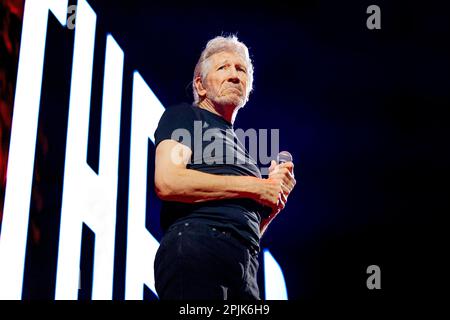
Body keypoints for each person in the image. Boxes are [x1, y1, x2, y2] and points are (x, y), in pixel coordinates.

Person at [153, 35, 296, 300]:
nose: (234, 76)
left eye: (240, 69)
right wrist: (259, 186)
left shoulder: (244, 155)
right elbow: (168, 180)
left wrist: (274, 203)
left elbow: (245, 224)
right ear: (200, 84)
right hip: (199, 249)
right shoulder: (186, 116)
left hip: (245, 264)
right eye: (223, 68)